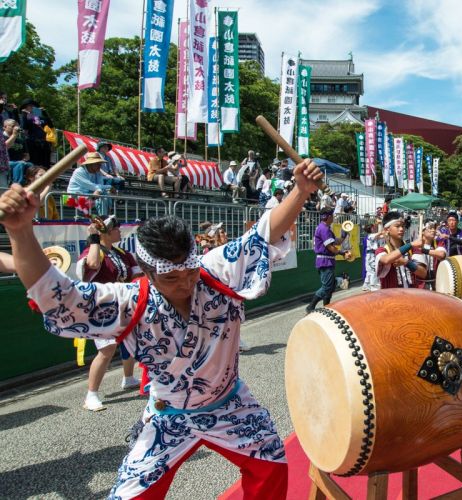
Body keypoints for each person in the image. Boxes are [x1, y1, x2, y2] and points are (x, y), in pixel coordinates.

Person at [0, 158, 324, 498]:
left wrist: (300, 191)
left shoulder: (214, 270)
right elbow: (60, 297)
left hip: (230, 404)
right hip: (169, 415)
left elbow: (264, 232)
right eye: (171, 278)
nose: (185, 283)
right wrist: (20, 231)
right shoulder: (130, 301)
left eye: (189, 272)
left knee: (271, 463)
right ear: (149, 273)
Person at [75, 216, 141, 411]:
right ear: (105, 232)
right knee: (107, 349)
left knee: (131, 341)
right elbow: (93, 264)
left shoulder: (122, 254)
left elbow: (137, 275)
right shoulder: (94, 251)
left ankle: (128, 378)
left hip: (123, 303)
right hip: (102, 307)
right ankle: (91, 394)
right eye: (116, 228)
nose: (120, 231)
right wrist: (94, 239)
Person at [306, 208, 351, 313]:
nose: (333, 217)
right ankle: (311, 306)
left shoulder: (325, 228)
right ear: (329, 217)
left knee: (330, 286)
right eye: (332, 216)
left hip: (327, 260)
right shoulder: (324, 229)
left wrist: (343, 236)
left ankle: (327, 307)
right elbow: (331, 247)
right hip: (325, 261)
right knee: (327, 287)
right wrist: (342, 253)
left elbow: (336, 242)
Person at [375, 211, 427, 289]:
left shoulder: (412, 250)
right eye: (397, 226)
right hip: (392, 298)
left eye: (403, 226)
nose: (402, 229)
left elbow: (423, 273)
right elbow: (386, 260)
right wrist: (410, 244)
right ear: (387, 230)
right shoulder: (382, 250)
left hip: (412, 296)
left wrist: (406, 262)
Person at [18, 98, 53, 168]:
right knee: (34, 165)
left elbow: (51, 125)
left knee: (46, 165)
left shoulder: (41, 117)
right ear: (25, 107)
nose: (32, 107)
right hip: (32, 143)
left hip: (44, 143)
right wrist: (25, 114)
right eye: (30, 106)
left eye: (33, 106)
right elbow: (24, 127)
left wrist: (45, 113)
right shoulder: (24, 116)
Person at [413, 221, 446, 291]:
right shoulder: (416, 245)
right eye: (430, 228)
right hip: (421, 285)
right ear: (422, 231)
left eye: (434, 228)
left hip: (437, 283)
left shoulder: (438, 243)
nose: (433, 230)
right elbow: (421, 272)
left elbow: (442, 255)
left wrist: (424, 250)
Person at [362, 222, 386, 292]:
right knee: (373, 271)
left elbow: (381, 236)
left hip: (370, 255)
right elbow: (380, 233)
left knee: (369, 271)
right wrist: (380, 224)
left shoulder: (371, 236)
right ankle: (373, 286)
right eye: (373, 227)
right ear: (371, 229)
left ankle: (366, 285)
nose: (374, 228)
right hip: (371, 256)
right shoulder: (371, 236)